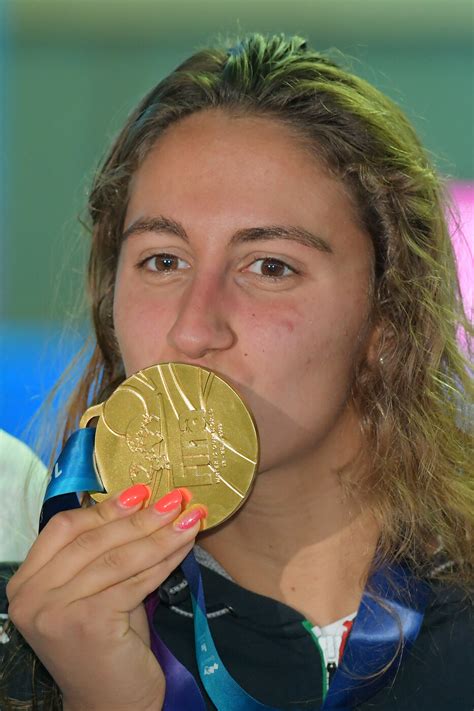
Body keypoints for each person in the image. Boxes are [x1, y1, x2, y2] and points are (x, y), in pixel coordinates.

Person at [1, 33, 472, 710]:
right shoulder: (40, 629)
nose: (195, 326)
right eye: (163, 260)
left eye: (270, 265)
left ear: (386, 323)